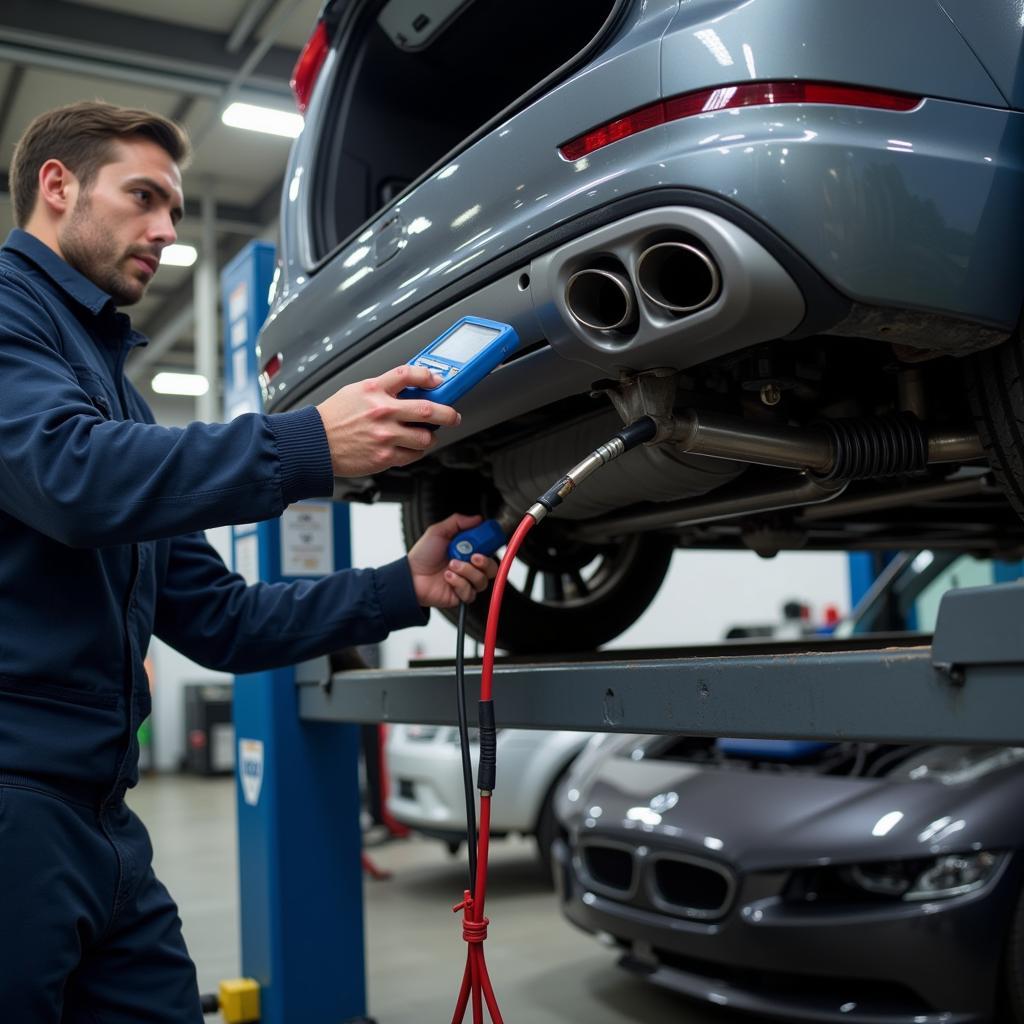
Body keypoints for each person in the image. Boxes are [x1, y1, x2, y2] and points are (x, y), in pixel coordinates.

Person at [0, 100, 498, 1022]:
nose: (163, 230)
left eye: (176, 211)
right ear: (56, 186)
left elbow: (221, 620)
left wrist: (404, 586)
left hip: (101, 818)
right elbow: (69, 478)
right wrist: (308, 445)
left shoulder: (115, 391)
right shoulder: (8, 315)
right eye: (142, 196)